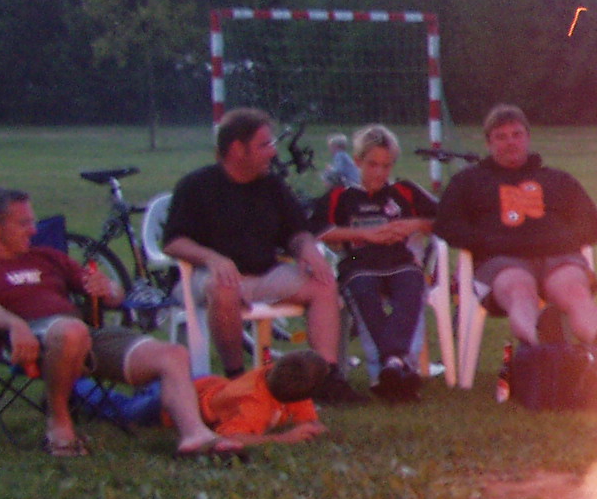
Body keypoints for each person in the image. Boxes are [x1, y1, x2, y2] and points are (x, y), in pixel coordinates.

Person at [0, 186, 243, 458]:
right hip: (29, 339)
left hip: (83, 336)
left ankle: (193, 435)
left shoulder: (47, 257)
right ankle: (59, 423)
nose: (33, 230)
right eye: (23, 224)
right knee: (71, 330)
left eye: (33, 222)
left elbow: (114, 295)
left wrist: (106, 287)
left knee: (173, 355)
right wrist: (14, 325)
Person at [161, 108, 353, 401]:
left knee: (324, 283)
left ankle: (325, 377)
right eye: (265, 145)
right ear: (238, 149)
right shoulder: (197, 186)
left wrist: (308, 251)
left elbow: (296, 231)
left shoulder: (272, 185)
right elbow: (173, 242)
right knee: (223, 286)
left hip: (265, 273)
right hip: (204, 278)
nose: (273, 153)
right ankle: (238, 378)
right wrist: (212, 259)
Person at [431, 104, 597, 352]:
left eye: (517, 134)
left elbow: (590, 225)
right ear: (488, 143)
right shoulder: (469, 182)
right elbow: (447, 224)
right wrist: (488, 242)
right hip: (501, 261)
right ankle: (543, 349)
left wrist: (557, 241)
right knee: (520, 291)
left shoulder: (557, 180)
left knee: (576, 293)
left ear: (527, 137)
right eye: (500, 137)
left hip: (558, 257)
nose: (510, 142)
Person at [318, 124, 439, 403]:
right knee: (364, 291)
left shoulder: (403, 190)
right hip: (359, 265)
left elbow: (446, 218)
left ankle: (391, 367)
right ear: (358, 161)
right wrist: (361, 234)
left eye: (386, 166)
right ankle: (392, 368)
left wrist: (415, 224)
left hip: (400, 262)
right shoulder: (342, 195)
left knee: (411, 287)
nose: (379, 173)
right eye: (372, 165)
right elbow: (317, 230)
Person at [196, 348, 329, 446]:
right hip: (195, 396)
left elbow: (308, 420)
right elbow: (230, 438)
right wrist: (284, 438)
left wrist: (313, 427)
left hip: (215, 385)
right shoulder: (254, 405)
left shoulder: (283, 378)